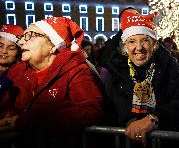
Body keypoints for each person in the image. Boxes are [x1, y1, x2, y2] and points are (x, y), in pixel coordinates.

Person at [0, 17, 103, 148]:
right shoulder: (17, 70)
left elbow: (92, 111)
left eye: (30, 36)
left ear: (53, 45)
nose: (21, 43)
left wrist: (28, 120)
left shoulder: (75, 70)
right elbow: (7, 104)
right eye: (22, 37)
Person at [99, 8, 179, 146]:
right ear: (124, 46)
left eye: (144, 41)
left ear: (154, 44)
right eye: (132, 42)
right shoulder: (114, 69)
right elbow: (111, 104)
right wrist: (130, 121)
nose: (139, 47)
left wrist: (154, 118)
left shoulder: (168, 66)